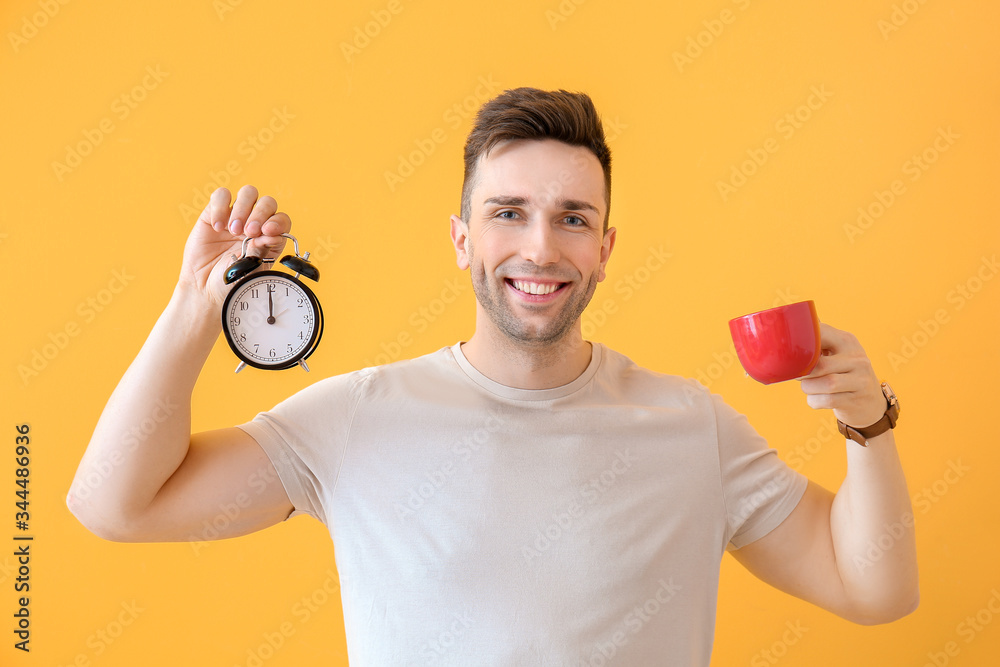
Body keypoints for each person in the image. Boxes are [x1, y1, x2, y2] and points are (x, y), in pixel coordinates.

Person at [68, 87, 918, 665]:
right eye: (507, 213)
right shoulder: (356, 418)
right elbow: (115, 504)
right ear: (462, 240)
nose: (541, 248)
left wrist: (868, 425)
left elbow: (874, 586)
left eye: (572, 219)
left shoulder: (690, 426)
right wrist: (192, 309)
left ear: (606, 250)